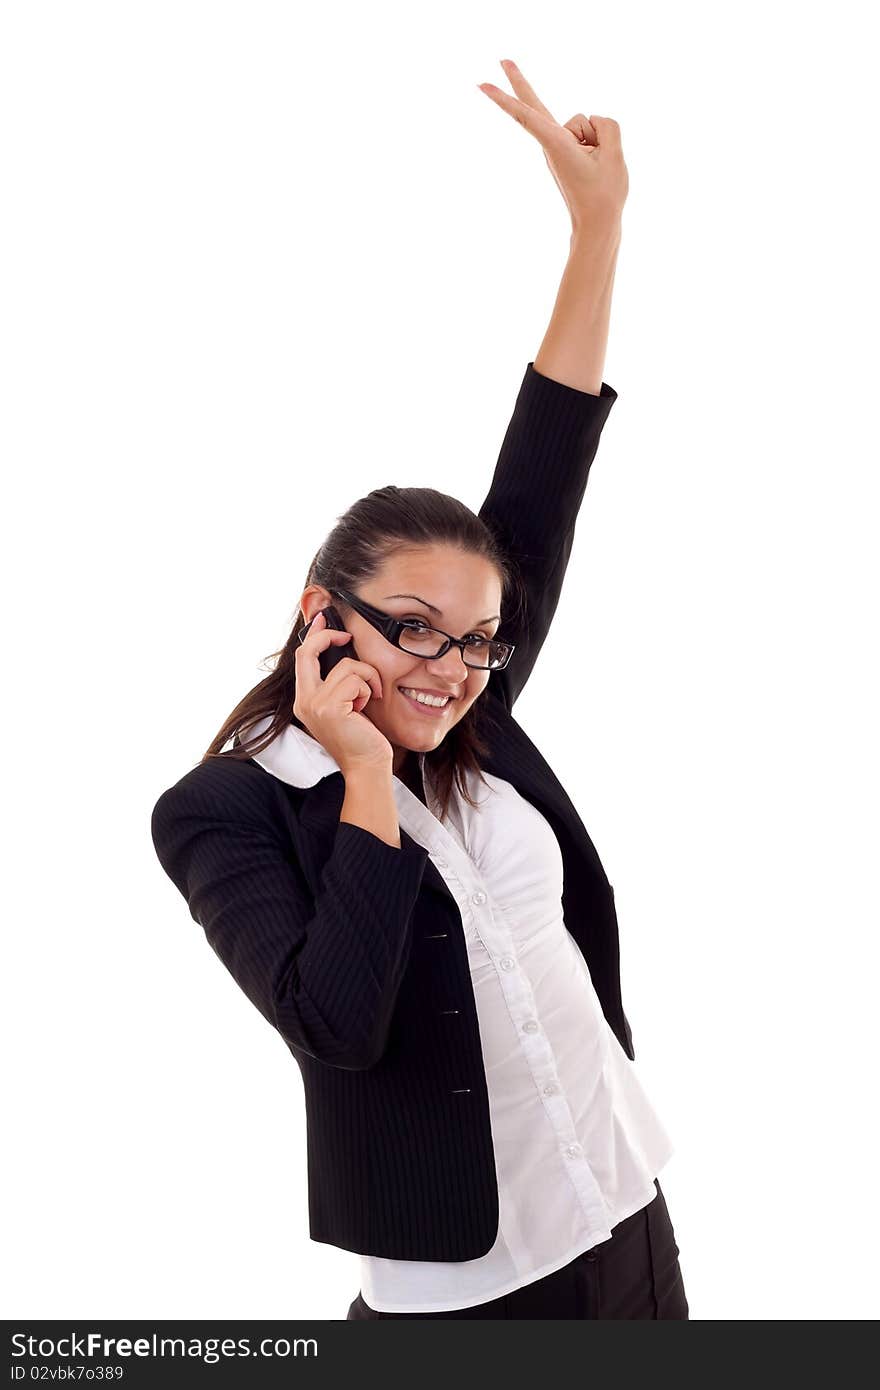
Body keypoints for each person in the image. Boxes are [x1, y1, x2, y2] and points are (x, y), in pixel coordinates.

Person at [150, 59, 689, 1320]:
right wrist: (368, 778)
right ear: (318, 614)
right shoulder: (219, 812)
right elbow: (336, 1020)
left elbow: (546, 461)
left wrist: (597, 224)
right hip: (468, 1285)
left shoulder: (472, 707)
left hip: (625, 1203)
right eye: (411, 629)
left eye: (479, 640)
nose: (448, 670)